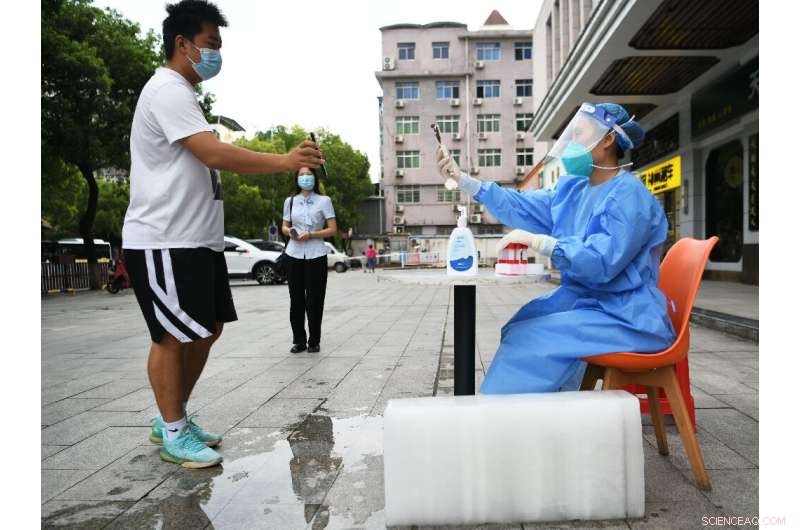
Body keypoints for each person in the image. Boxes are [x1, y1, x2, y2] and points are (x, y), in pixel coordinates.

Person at [122, 0, 323, 468]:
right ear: (182, 44)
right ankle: (173, 430)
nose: (216, 55)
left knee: (206, 331)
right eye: (210, 44)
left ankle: (171, 416)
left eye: (219, 46)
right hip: (163, 239)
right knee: (171, 337)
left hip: (197, 239)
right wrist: (285, 162)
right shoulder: (167, 90)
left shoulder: (184, 95)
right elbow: (214, 154)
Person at [436, 102, 676, 394]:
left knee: (531, 339)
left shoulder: (630, 196)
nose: (571, 143)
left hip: (625, 314)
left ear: (607, 139)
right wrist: (465, 181)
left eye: (579, 134)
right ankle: (547, 415)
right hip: (591, 303)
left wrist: (542, 242)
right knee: (520, 324)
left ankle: (501, 423)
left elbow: (602, 262)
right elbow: (522, 205)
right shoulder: (573, 189)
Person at [282, 167, 338, 354]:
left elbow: (332, 229)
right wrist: (290, 232)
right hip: (293, 254)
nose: (305, 178)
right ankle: (299, 340)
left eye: (309, 174)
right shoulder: (290, 201)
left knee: (315, 300)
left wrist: (312, 234)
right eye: (301, 175)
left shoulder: (324, 201)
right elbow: (284, 225)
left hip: (316, 254)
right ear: (296, 178)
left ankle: (314, 340)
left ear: (315, 177)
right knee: (295, 299)